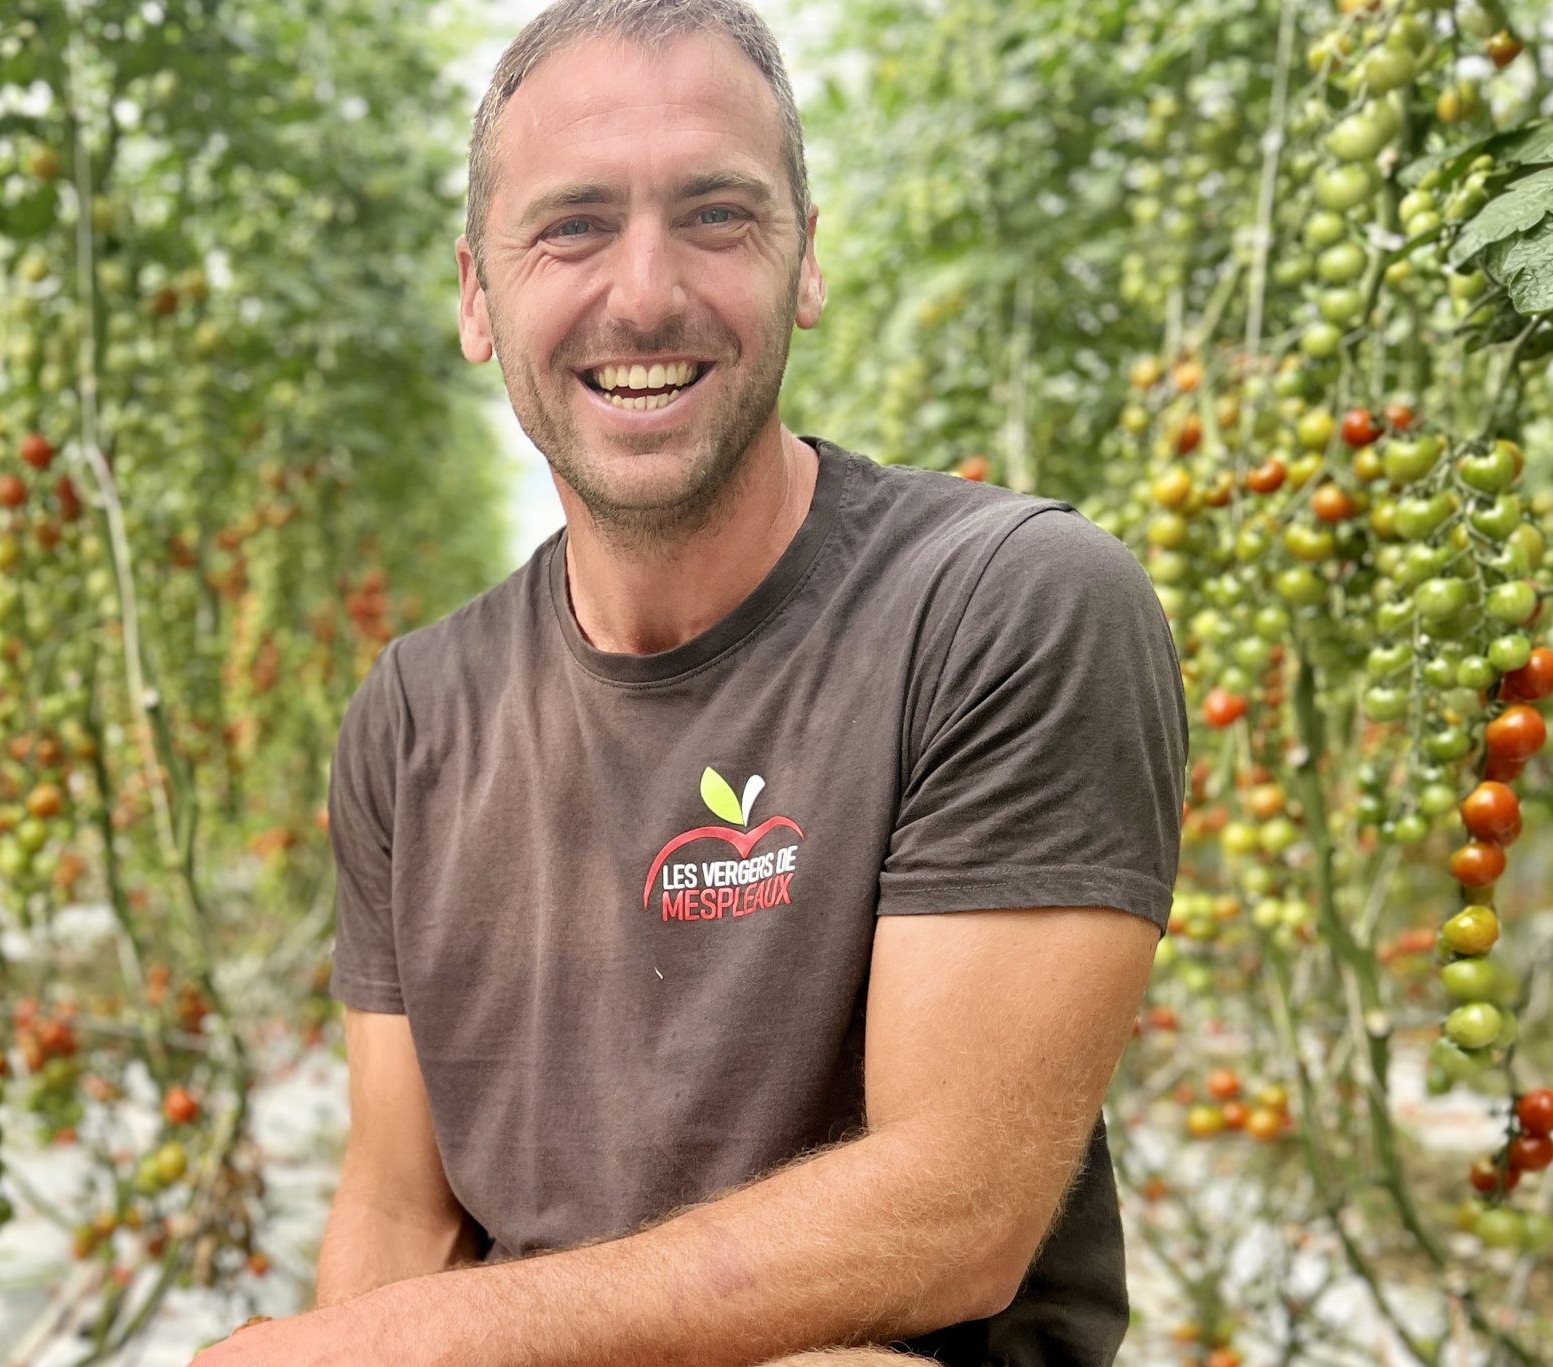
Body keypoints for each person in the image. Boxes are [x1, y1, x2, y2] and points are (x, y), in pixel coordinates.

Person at [187, 1, 1186, 1364]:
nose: (646, 292)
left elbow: (956, 1214)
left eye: (717, 216)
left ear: (806, 262)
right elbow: (399, 1205)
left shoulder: (1001, 606)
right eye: (573, 226)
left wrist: (428, 1340)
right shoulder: (415, 716)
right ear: (477, 294)